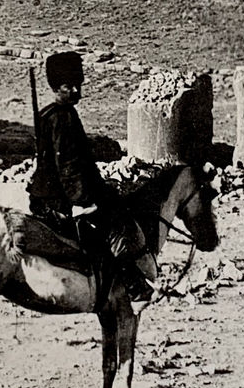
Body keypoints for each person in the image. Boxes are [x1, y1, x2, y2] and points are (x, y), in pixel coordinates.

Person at [28, 51, 154, 303]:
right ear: (56, 87)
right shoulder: (61, 118)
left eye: (78, 84)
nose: (76, 90)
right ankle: (129, 282)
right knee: (112, 222)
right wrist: (85, 200)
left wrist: (102, 187)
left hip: (50, 194)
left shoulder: (53, 114)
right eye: (69, 86)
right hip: (57, 199)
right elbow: (67, 167)